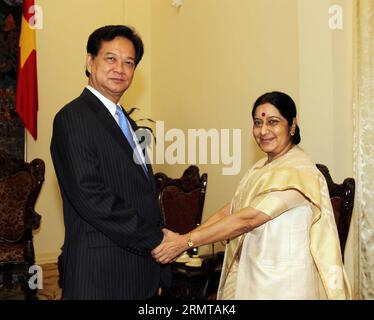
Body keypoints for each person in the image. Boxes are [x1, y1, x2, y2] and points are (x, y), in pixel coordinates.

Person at [152, 91, 352, 299]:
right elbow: (231, 210)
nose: (263, 130)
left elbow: (248, 219)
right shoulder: (260, 167)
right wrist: (185, 239)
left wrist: (185, 242)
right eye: (257, 123)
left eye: (273, 122)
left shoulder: (299, 171)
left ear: (292, 125)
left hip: (285, 284)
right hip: (253, 274)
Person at [50, 25, 171, 299]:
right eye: (111, 58)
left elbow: (143, 196)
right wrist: (157, 239)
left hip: (139, 271)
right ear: (89, 61)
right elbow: (92, 197)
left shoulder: (125, 122)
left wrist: (158, 270)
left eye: (129, 62)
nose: (120, 68)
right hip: (101, 275)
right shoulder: (72, 118)